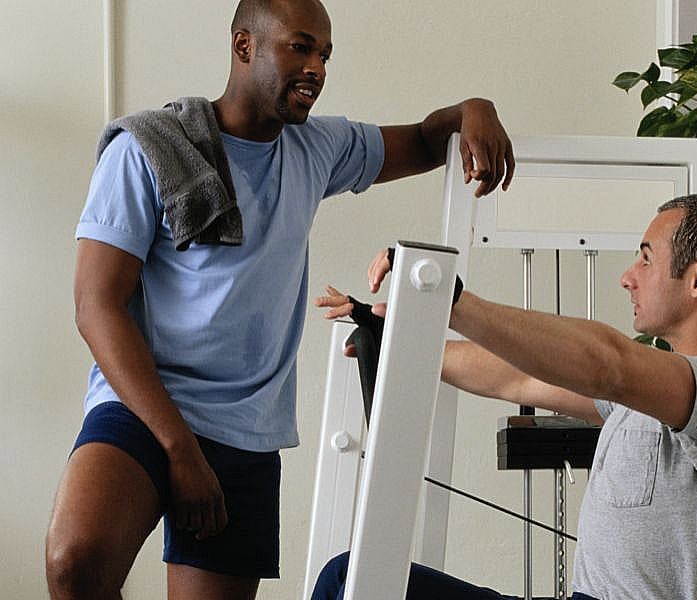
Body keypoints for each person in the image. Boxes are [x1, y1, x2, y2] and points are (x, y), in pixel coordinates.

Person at [43, 0, 515, 598]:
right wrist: (179, 448)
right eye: (300, 47)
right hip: (144, 406)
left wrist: (475, 109)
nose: (317, 67)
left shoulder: (319, 148)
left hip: (244, 429)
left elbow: (424, 139)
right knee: (74, 562)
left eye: (325, 55)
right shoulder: (146, 150)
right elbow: (96, 307)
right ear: (244, 46)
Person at [312, 194, 697, 599]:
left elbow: (609, 364)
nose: (628, 276)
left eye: (646, 259)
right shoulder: (658, 392)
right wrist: (404, 339)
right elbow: (515, 378)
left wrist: (447, 299)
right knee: (348, 578)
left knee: (353, 579)